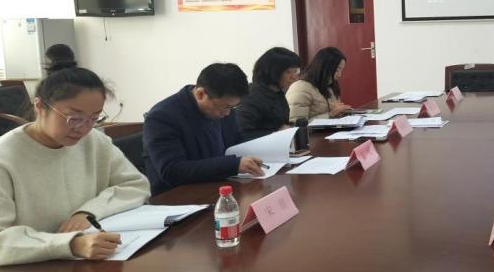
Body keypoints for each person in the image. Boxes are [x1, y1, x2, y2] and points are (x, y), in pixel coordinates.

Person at [0, 67, 150, 272]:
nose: (83, 128)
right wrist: (70, 244)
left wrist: (88, 212)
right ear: (40, 106)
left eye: (94, 118)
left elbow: (135, 184)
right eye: (74, 117)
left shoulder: (93, 141)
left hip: (81, 268)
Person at [143, 63, 264, 195]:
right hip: (178, 196)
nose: (228, 113)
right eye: (225, 107)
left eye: (232, 107)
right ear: (200, 94)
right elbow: (173, 170)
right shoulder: (162, 116)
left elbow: (236, 142)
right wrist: (233, 165)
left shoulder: (223, 106)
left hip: (220, 185)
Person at [236, 47, 301, 141]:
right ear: (273, 72)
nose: (294, 77)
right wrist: (275, 133)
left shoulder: (277, 92)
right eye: (288, 72)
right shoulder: (253, 95)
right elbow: (242, 133)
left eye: (296, 72)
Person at [286, 47, 353, 120]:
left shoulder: (329, 86)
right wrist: (331, 114)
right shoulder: (300, 88)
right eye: (337, 70)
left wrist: (342, 111)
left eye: (341, 70)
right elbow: (296, 123)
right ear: (325, 67)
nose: (339, 75)